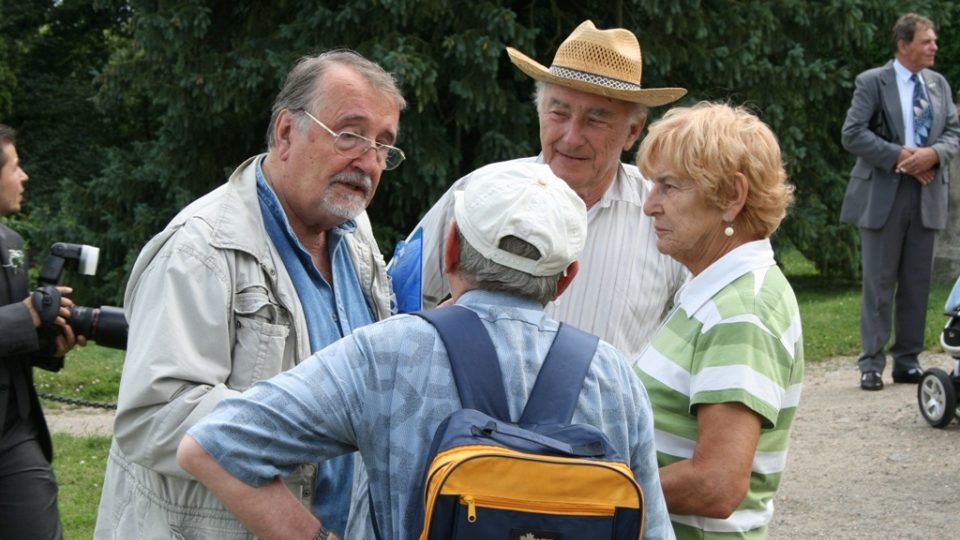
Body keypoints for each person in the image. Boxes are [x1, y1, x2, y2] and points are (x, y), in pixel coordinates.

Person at [176, 161, 674, 540]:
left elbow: (213, 446)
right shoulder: (613, 376)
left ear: (451, 248)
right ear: (567, 278)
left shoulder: (388, 353)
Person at [93, 50, 404, 539]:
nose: (368, 162)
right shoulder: (201, 247)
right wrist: (312, 420)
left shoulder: (354, 232)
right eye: (350, 134)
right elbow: (153, 416)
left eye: (384, 145)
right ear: (286, 133)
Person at [394, 20, 688, 358]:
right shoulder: (478, 192)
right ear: (539, 111)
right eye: (558, 112)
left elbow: (690, 352)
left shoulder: (664, 215)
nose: (571, 136)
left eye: (595, 120)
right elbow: (402, 298)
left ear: (633, 131)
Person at [631, 102, 803, 539]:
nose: (650, 205)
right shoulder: (715, 292)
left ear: (731, 197)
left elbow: (717, 485)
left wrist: (594, 491)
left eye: (669, 187)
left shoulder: (742, 311)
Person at [840, 13, 960, 391]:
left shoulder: (938, 84)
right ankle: (871, 364)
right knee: (879, 283)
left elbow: (955, 130)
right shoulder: (872, 82)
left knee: (917, 283)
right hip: (883, 193)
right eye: (927, 41)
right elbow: (853, 133)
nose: (934, 47)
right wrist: (901, 156)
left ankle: (907, 361)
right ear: (903, 44)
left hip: (927, 194)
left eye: (934, 41)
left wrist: (934, 154)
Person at [0, 124, 83, 539]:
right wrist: (27, 315)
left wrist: (50, 344)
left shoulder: (11, 242)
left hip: (13, 431)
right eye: (15, 166)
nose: (24, 176)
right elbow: (18, 316)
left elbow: (16, 332)